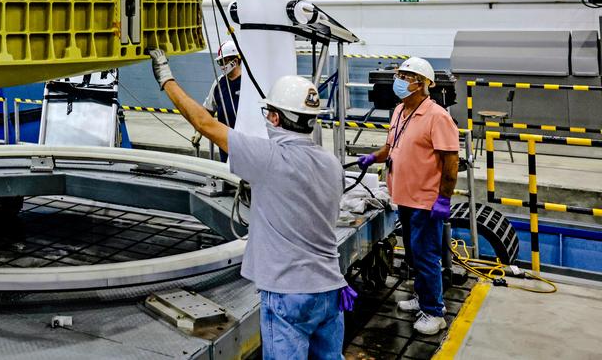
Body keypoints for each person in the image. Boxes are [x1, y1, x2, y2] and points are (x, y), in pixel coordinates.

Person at [151, 49, 350, 360]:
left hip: (288, 293)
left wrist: (167, 78)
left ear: (274, 117)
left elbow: (205, 123)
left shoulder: (267, 158)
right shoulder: (332, 163)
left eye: (268, 112)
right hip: (330, 289)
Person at [356, 56, 458, 336]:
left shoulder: (437, 116)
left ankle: (435, 312)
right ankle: (424, 299)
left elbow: (450, 161)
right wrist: (372, 158)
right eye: (399, 75)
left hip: (426, 201)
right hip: (404, 197)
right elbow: (391, 147)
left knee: (426, 257)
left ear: (424, 84)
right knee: (414, 255)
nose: (400, 81)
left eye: (407, 76)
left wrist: (444, 199)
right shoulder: (400, 110)